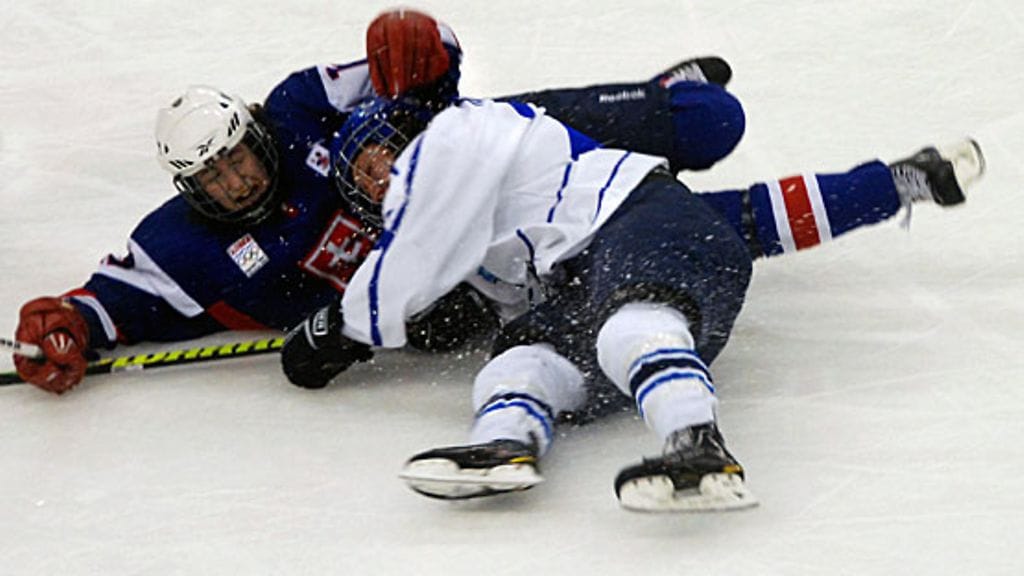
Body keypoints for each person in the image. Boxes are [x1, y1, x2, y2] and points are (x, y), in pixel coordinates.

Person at [276, 94, 984, 512]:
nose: (382, 174)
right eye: (364, 175)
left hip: (638, 238)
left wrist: (349, 328)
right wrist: (437, 318)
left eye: (383, 152)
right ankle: (508, 444)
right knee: (519, 360)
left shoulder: (463, 135)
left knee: (628, 326)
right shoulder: (480, 241)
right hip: (615, 271)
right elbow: (743, 220)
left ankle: (699, 448)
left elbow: (408, 256)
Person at [10, 7, 747, 394]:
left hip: (497, 159)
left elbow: (424, 69)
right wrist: (63, 327)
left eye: (237, 159)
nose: (235, 183)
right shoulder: (181, 243)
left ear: (255, 133)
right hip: (486, 255)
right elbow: (106, 305)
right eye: (213, 179)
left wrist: (420, 45)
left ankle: (658, 95)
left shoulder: (301, 106)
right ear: (191, 189)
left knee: (709, 119)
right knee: (462, 317)